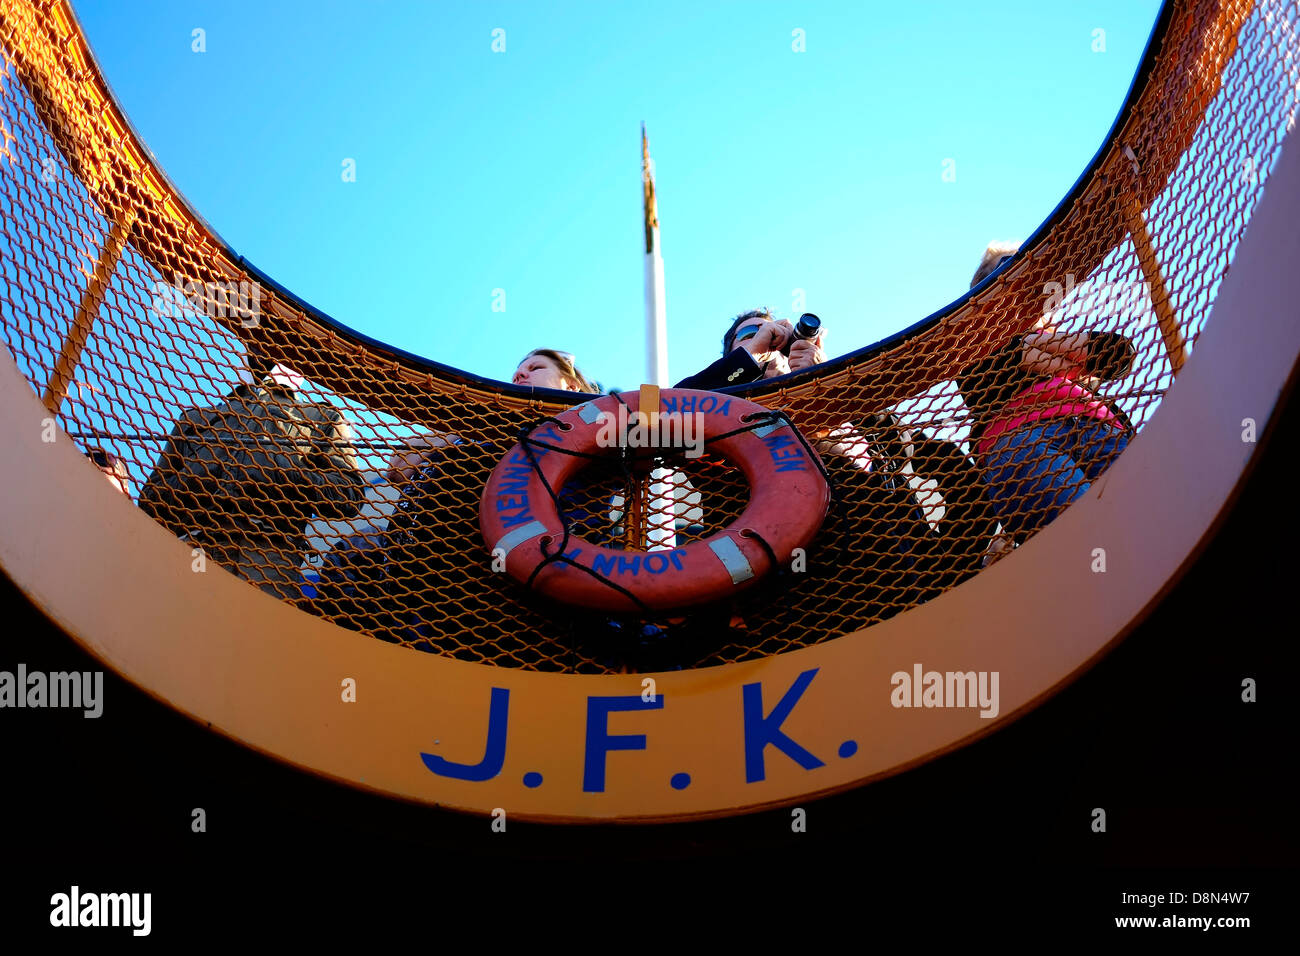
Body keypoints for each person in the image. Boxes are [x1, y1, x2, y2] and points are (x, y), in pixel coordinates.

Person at [957, 241, 1137, 541]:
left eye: (1028, 267)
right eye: (1007, 267)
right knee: (1093, 540)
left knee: (1150, 521)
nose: (1021, 275)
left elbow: (1118, 354)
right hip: (1020, 440)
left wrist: (1033, 347)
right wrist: (1065, 353)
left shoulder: (1050, 334)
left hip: (1100, 426)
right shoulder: (971, 344)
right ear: (983, 289)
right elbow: (980, 379)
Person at [140, 363, 366, 600]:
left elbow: (348, 494)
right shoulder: (196, 418)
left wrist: (284, 473)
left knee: (250, 631)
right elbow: (150, 501)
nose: (272, 359)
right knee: (182, 625)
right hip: (194, 544)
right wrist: (197, 476)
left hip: (269, 549)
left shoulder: (321, 417)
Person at [675, 309, 827, 390]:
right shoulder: (719, 402)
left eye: (775, 331)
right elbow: (660, 410)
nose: (764, 335)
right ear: (730, 356)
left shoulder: (825, 389)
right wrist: (752, 355)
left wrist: (822, 379)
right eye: (749, 333)